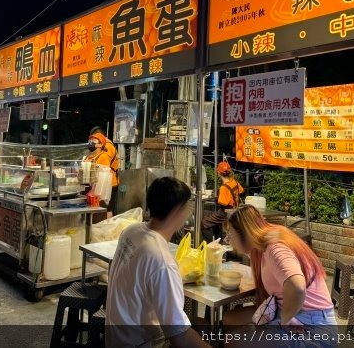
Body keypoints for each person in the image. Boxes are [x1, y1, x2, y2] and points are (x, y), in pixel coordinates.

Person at [106, 177, 210, 348]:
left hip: (115, 337)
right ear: (177, 211)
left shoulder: (131, 231)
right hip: (142, 342)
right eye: (187, 207)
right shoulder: (162, 262)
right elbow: (179, 337)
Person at [223, 205, 336, 346]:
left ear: (245, 233)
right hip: (285, 310)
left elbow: (297, 287)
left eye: (230, 234)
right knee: (229, 319)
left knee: (233, 342)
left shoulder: (275, 248)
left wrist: (285, 320)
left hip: (312, 323)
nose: (229, 240)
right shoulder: (261, 246)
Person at [201, 161, 244, 242]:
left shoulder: (224, 187)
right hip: (235, 209)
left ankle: (212, 245)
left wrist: (220, 194)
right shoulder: (234, 181)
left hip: (226, 212)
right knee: (214, 222)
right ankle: (218, 241)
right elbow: (241, 190)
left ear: (218, 172)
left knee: (204, 223)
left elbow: (223, 203)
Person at [86, 132, 118, 218]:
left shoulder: (103, 156)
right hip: (92, 187)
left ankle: (107, 228)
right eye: (90, 140)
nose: (90, 142)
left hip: (103, 188)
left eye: (93, 141)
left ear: (100, 145)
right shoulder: (89, 156)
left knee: (105, 210)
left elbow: (104, 174)